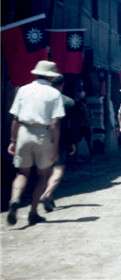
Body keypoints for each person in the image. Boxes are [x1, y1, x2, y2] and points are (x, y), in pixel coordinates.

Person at [6, 60, 65, 225]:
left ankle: (15, 199)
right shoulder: (54, 94)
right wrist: (54, 148)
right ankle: (33, 212)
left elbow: (16, 119)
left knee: (21, 173)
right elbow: (55, 124)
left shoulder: (23, 90)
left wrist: (13, 140)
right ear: (51, 78)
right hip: (43, 135)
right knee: (42, 175)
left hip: (24, 132)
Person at [40, 75, 79, 212]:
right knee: (59, 169)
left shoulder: (43, 99)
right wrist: (74, 142)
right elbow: (74, 124)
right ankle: (47, 194)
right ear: (62, 85)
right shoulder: (68, 102)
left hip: (43, 136)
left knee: (46, 169)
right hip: (62, 138)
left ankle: (50, 198)